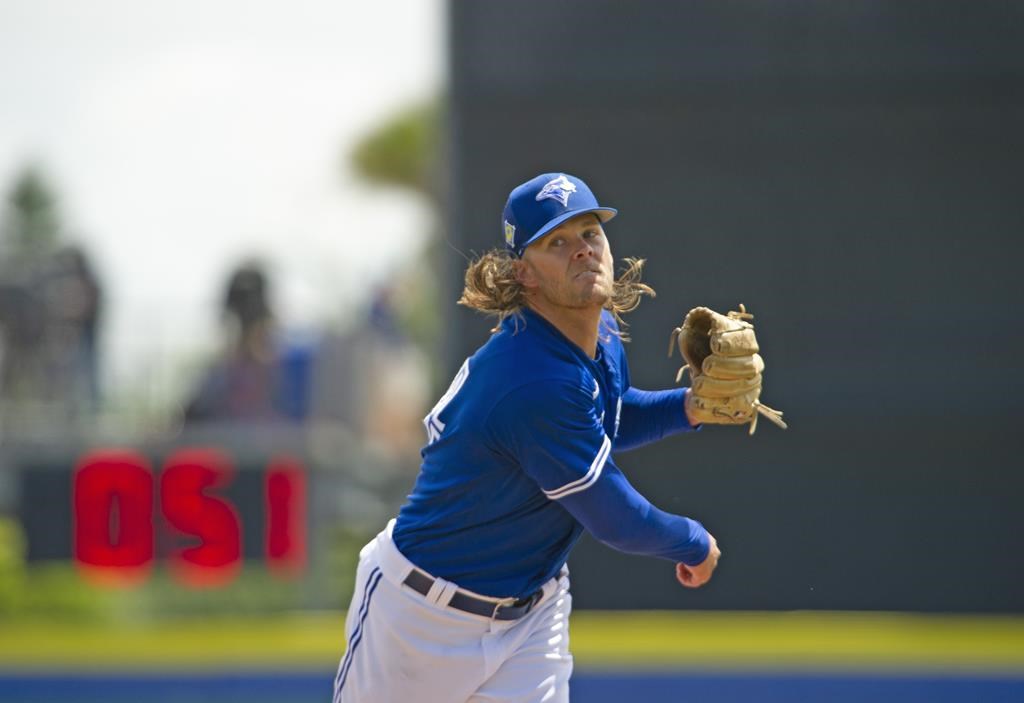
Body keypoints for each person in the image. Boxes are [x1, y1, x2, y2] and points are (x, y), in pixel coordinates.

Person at [333, 172, 721, 703]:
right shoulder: (533, 378)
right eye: (557, 242)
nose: (582, 250)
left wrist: (688, 407)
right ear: (525, 275)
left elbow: (604, 421)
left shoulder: (599, 333)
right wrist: (694, 541)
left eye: (590, 233)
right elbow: (615, 518)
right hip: (419, 621)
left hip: (531, 617)